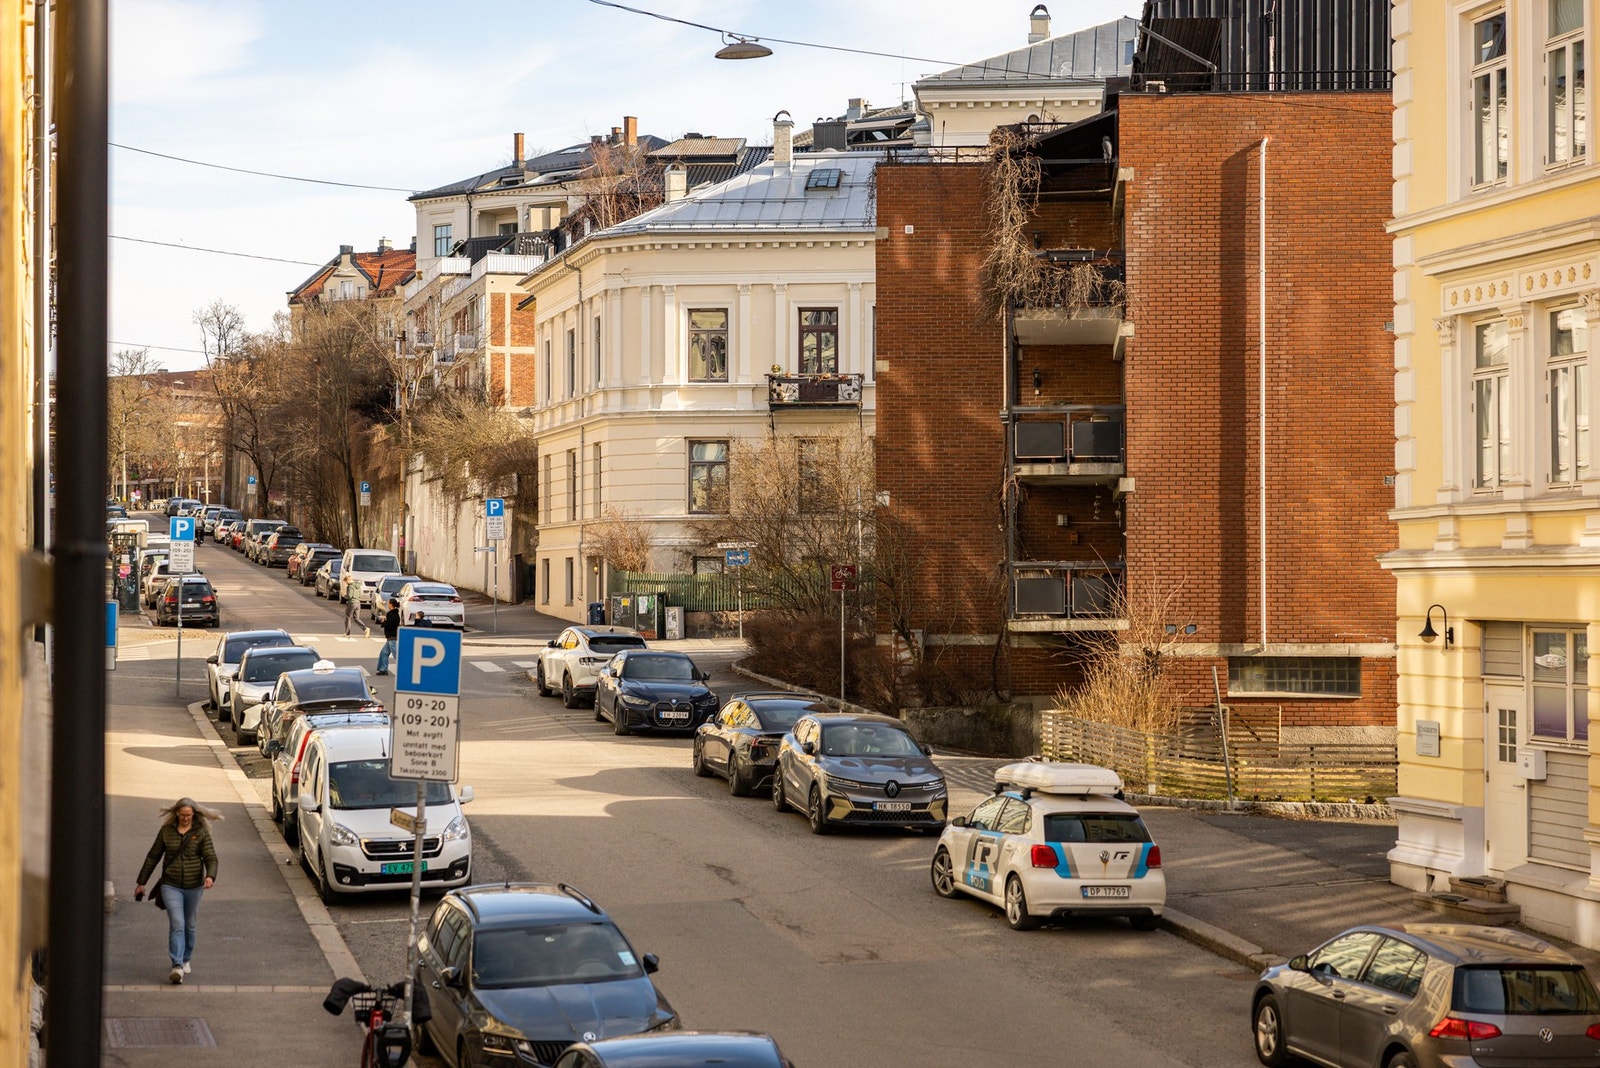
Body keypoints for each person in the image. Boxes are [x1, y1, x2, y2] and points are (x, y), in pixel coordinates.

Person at [135, 797, 220, 985]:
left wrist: (210, 876)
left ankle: (186, 957)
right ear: (176, 814)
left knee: (190, 924)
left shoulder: (200, 832)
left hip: (194, 886)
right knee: (177, 923)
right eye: (182, 815)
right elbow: (153, 856)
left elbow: (211, 857)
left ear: (194, 815)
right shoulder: (167, 831)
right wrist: (141, 882)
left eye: (189, 815)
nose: (186, 818)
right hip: (170, 885)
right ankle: (177, 965)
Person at [376, 597, 400, 675]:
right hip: (391, 637)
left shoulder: (392, 614)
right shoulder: (395, 614)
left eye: (388, 603)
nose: (388, 605)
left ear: (391, 605)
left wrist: (384, 622)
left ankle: (405, 668)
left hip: (392, 637)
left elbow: (390, 625)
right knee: (384, 653)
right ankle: (383, 669)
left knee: (396, 655)